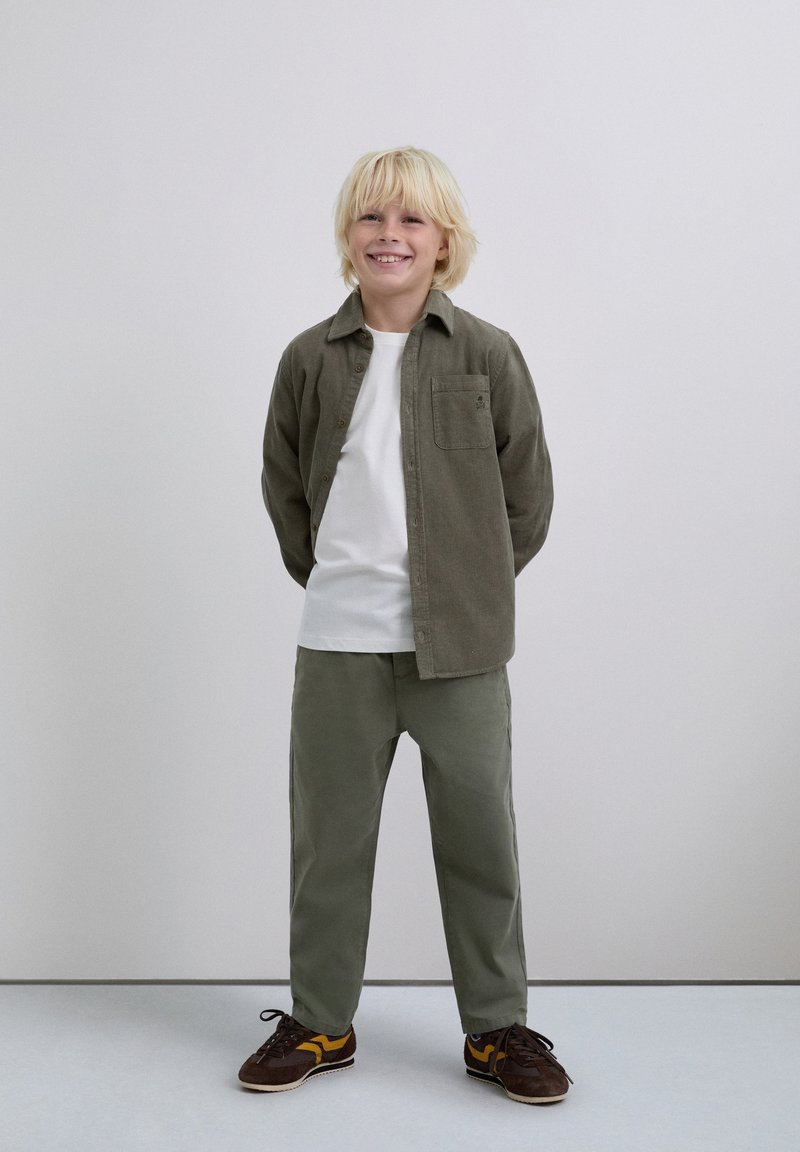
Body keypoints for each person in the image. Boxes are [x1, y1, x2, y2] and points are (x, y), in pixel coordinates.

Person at [238, 147, 571, 1105]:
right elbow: (283, 485)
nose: (391, 235)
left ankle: (497, 1027)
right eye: (372, 219)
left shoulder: (487, 354)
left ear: (444, 243)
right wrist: (329, 579)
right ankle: (320, 1020)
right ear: (349, 239)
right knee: (328, 842)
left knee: (481, 839)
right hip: (339, 641)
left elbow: (528, 497)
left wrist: (466, 589)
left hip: (460, 648)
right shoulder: (309, 356)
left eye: (412, 221)